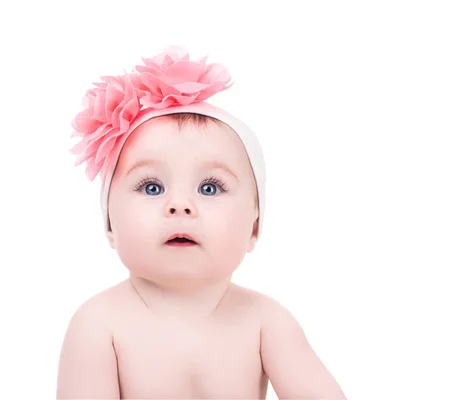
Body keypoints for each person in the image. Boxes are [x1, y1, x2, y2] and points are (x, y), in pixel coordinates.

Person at [56, 46, 346, 399]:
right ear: (110, 225)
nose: (180, 205)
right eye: (151, 187)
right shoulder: (99, 325)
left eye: (210, 188)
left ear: (254, 228)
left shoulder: (266, 322)